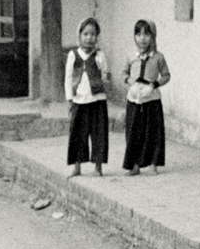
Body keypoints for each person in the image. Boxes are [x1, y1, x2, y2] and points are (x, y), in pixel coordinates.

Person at [121, 19, 171, 176]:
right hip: (134, 100)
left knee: (153, 132)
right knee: (133, 132)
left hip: (151, 100)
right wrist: (131, 83)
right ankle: (134, 165)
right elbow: (123, 73)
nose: (142, 38)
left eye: (147, 34)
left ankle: (153, 164)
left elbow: (166, 76)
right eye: (138, 34)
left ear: (153, 36)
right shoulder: (131, 56)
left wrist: (154, 85)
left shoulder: (158, 57)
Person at [64, 17, 109, 177]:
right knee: (78, 134)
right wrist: (70, 100)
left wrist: (105, 84)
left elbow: (105, 74)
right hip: (79, 101)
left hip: (97, 101)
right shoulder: (73, 55)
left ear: (97, 37)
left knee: (98, 134)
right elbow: (68, 78)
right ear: (79, 35)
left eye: (93, 34)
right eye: (85, 34)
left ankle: (98, 167)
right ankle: (77, 167)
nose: (89, 38)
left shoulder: (100, 55)